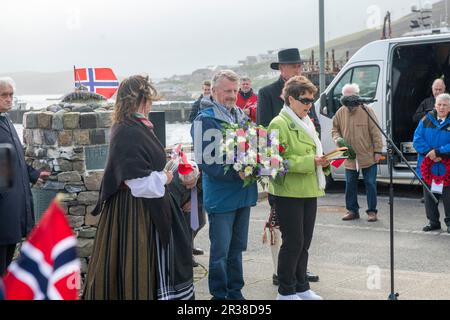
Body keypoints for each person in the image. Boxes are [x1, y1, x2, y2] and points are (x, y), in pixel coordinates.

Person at [83, 75, 194, 300]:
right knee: (136, 264)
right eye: (149, 99)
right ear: (140, 99)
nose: (151, 104)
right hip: (134, 211)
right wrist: (164, 176)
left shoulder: (136, 125)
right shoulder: (128, 130)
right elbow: (138, 183)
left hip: (143, 206)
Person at [191, 70, 258, 300]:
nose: (232, 95)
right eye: (228, 91)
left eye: (235, 91)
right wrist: (237, 174)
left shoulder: (240, 115)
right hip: (221, 196)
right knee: (220, 252)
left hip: (244, 193)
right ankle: (219, 296)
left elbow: (254, 147)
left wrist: (261, 163)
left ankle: (235, 292)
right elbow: (206, 162)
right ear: (215, 91)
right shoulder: (205, 119)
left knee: (237, 249)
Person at [257, 48, 321, 285]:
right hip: (283, 176)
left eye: (299, 66)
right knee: (283, 230)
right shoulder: (267, 93)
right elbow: (263, 133)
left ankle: (297, 275)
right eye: (293, 66)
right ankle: (281, 275)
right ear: (282, 69)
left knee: (300, 237)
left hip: (307, 178)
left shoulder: (306, 93)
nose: (298, 69)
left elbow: (312, 125)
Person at [268, 76, 330, 300]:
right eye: (304, 101)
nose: (309, 105)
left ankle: (301, 287)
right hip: (288, 192)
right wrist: (310, 162)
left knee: (304, 242)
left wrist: (323, 161)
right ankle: (285, 291)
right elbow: (273, 161)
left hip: (308, 189)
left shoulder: (307, 121)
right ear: (291, 99)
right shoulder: (278, 123)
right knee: (293, 242)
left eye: (311, 101)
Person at [0, 77, 50, 276]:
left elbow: (15, 158)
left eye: (11, 95)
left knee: (6, 262)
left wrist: (33, 174)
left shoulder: (6, 121)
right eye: (4, 95)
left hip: (13, 207)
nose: (9, 99)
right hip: (3, 208)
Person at [332, 83, 383, 222]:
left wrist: (378, 151)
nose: (350, 99)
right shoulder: (340, 112)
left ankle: (372, 211)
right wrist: (337, 139)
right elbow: (334, 129)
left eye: (352, 95)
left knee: (370, 184)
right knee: (350, 185)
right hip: (349, 157)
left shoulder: (367, 110)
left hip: (368, 155)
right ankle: (352, 211)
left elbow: (376, 132)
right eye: (347, 96)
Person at [413, 93, 450, 234]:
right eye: (439, 104)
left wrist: (440, 152)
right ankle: (433, 222)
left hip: (446, 166)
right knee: (430, 196)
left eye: (445, 105)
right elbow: (417, 139)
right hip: (428, 165)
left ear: (449, 107)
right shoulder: (425, 119)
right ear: (435, 105)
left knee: (448, 197)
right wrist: (431, 152)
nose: (441, 107)